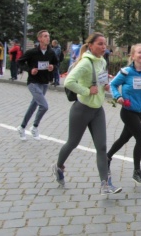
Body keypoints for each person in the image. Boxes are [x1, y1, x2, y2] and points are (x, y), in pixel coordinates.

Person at [53, 32, 122, 195]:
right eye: (100, 44)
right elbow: (69, 82)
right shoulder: (85, 63)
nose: (104, 47)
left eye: (105, 44)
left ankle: (105, 184)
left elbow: (102, 79)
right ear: (90, 46)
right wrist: (86, 90)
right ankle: (58, 166)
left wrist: (106, 86)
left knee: (102, 147)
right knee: (72, 142)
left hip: (97, 109)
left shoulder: (103, 61)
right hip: (82, 109)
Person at [107, 43, 141, 184]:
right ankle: (137, 172)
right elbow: (113, 84)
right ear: (133, 55)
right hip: (128, 111)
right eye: (139, 52)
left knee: (124, 138)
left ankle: (107, 157)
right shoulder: (126, 72)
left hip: (140, 111)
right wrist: (118, 96)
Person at [16, 30, 58, 141]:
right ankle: (34, 127)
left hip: (44, 82)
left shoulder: (51, 52)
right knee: (44, 106)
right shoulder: (32, 52)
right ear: (39, 39)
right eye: (45, 36)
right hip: (33, 82)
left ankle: (22, 127)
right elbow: (19, 62)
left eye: (48, 36)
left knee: (33, 105)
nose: (48, 38)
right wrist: (30, 70)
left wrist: (53, 67)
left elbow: (57, 63)